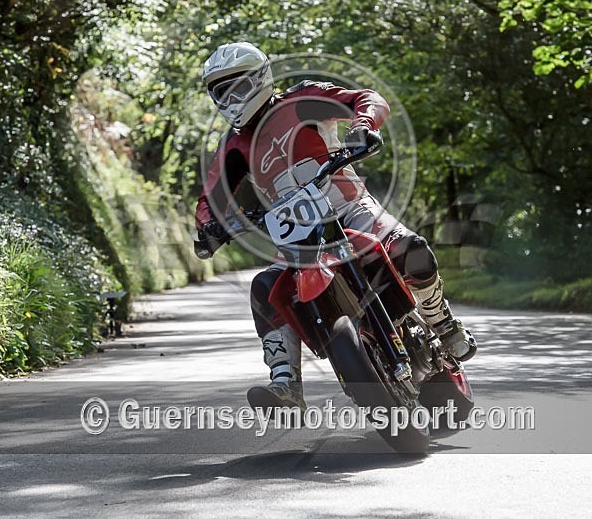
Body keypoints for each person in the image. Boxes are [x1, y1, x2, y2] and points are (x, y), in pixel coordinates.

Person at [194, 42, 476, 411]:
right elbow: (209, 196)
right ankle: (286, 385)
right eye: (222, 91)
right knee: (265, 287)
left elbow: (368, 98)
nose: (232, 99)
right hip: (295, 233)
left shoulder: (300, 100)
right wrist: (208, 227)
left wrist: (363, 127)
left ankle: (443, 323)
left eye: (239, 87)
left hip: (351, 207)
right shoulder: (232, 147)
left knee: (410, 247)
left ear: (260, 77)